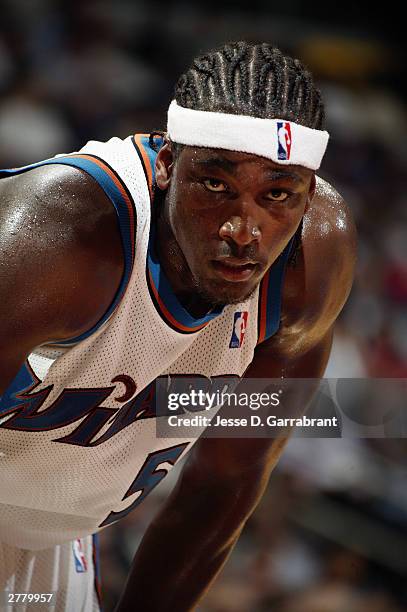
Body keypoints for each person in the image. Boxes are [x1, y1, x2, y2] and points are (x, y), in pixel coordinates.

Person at [0, 41, 356, 611]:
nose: (245, 229)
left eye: (277, 195)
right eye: (216, 186)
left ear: (309, 195)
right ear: (166, 163)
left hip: (52, 543)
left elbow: (222, 485)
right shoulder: (58, 238)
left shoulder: (308, 274)